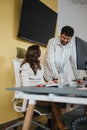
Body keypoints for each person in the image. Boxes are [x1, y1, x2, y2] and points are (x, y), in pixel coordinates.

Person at [43, 25, 80, 130]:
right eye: (63, 37)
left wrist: (77, 77)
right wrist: (56, 77)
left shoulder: (71, 45)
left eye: (67, 38)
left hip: (58, 73)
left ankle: (53, 122)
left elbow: (73, 61)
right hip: (47, 72)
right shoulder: (52, 42)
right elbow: (50, 61)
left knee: (61, 95)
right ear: (61, 34)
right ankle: (59, 125)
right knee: (55, 97)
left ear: (71, 38)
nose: (65, 40)